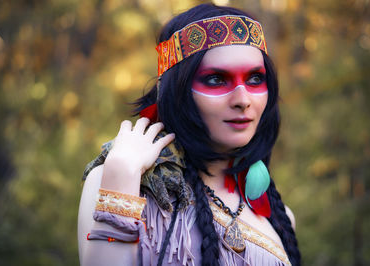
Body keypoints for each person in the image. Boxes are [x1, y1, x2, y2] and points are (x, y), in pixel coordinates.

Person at [77, 3, 301, 266]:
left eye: (254, 79)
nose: (243, 99)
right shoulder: (117, 180)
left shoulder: (280, 217)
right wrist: (120, 183)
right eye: (216, 79)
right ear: (177, 92)